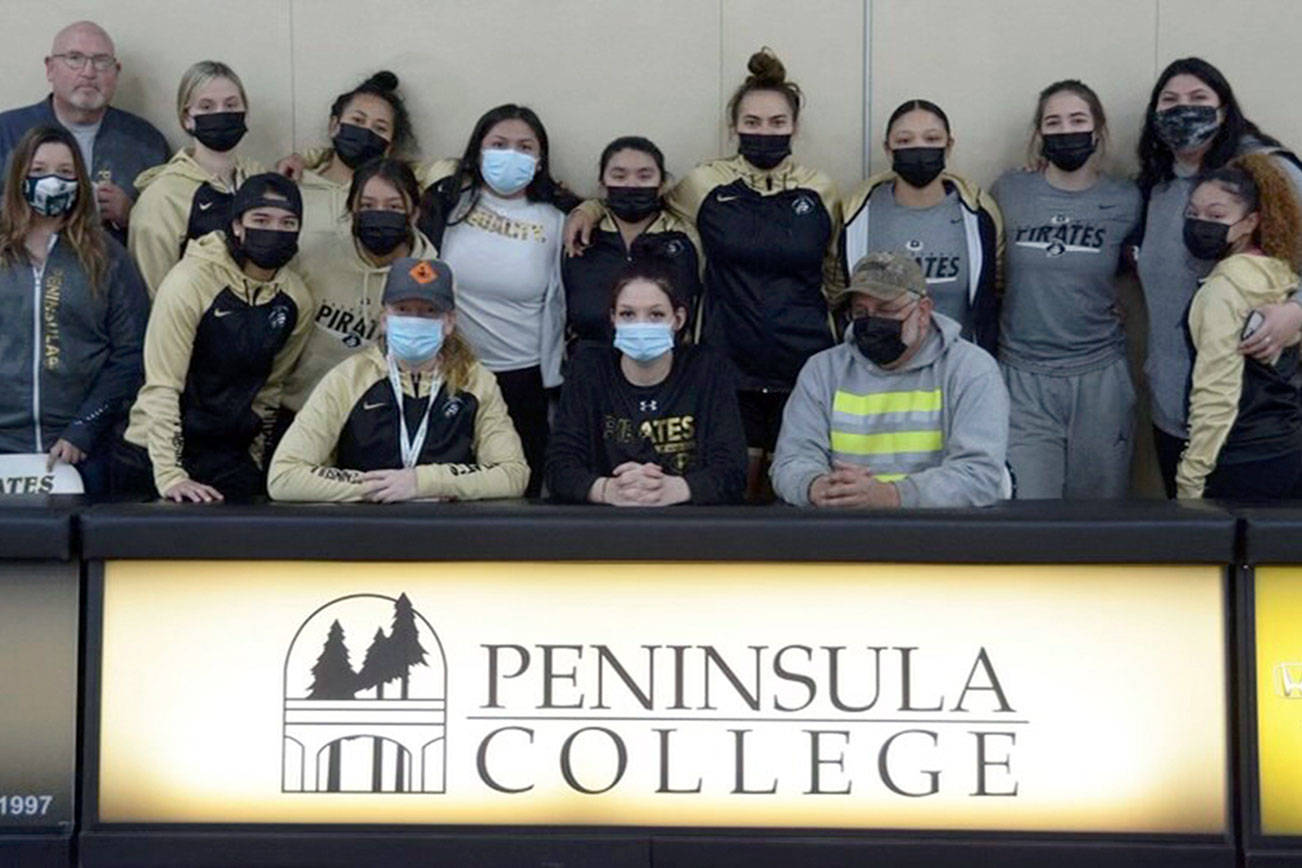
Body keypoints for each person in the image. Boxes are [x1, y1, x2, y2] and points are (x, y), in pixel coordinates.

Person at [567, 49, 841, 501]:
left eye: (777, 122)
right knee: (738, 489)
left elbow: (834, 274)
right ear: (733, 127)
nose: (764, 131)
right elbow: (644, 198)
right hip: (728, 360)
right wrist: (590, 207)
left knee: (793, 488)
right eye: (752, 122)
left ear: (795, 127)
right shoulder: (704, 184)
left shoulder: (822, 189)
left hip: (805, 360)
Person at [1135, 57, 1302, 496]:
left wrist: (1296, 312)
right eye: (1170, 100)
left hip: (1253, 424)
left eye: (1198, 98)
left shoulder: (1265, 172)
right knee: (1191, 533)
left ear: (1224, 110)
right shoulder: (1159, 186)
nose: (1183, 109)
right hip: (1174, 410)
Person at [115, 173, 312, 502]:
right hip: (155, 454)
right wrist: (170, 476)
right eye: (261, 220)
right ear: (237, 225)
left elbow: (269, 389)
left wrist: (255, 456)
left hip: (228, 456)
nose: (274, 230)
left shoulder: (296, 298)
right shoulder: (189, 282)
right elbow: (163, 385)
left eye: (287, 223)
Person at [269, 257, 528, 502]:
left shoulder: (476, 381)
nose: (414, 320)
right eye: (403, 310)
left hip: (448, 528)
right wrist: (379, 487)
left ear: (449, 322)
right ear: (384, 319)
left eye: (429, 312)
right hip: (361, 527)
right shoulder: (348, 378)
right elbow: (284, 476)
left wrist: (423, 482)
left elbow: (512, 475)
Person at [993, 81, 1142, 499]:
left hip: (1098, 374)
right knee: (1029, 511)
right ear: (1039, 133)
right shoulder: (1010, 191)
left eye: (1078, 120)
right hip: (1023, 375)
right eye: (1053, 122)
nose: (1066, 131)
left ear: (1098, 129)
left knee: (1098, 513)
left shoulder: (1126, 199)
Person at [418, 104, 574, 497]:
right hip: (451, 370)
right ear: (478, 151)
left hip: (524, 379)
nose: (511, 155)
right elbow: (388, 175)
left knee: (518, 490)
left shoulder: (559, 218)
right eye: (499, 144)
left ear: (540, 160)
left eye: (525, 147)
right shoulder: (447, 201)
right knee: (444, 486)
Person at [770, 251, 1008, 508]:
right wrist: (817, 487)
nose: (873, 322)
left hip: (939, 529)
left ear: (923, 312)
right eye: (861, 312)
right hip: (841, 524)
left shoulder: (971, 369)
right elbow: (790, 461)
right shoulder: (822, 370)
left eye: (886, 310)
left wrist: (891, 495)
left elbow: (980, 476)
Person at [0, 126, 148, 495]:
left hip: (82, 451)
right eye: (38, 170)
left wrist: (84, 428)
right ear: (18, 175)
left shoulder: (107, 256)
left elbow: (130, 352)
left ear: (80, 181)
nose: (52, 181)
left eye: (65, 172)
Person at [546, 260, 747, 505]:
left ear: (678, 319)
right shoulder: (588, 369)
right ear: (613, 318)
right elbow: (559, 467)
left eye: (656, 315)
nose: (641, 325)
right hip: (607, 521)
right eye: (628, 314)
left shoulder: (708, 370)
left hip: (685, 521)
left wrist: (675, 489)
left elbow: (732, 470)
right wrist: (608, 490)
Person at [1176, 155, 1302, 499]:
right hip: (1288, 446)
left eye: (1216, 216)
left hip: (1240, 456)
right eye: (1193, 213)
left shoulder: (1222, 291)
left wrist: (1191, 479)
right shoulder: (1283, 276)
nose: (1200, 224)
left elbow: (1217, 394)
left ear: (1250, 222)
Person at [840, 99, 1002, 354]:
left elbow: (996, 288)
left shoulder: (978, 215)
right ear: (888, 149)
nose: (919, 148)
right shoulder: (856, 214)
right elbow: (838, 290)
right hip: (878, 366)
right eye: (904, 140)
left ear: (949, 146)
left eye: (932, 139)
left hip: (957, 365)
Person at [282, 158, 438, 415]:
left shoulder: (431, 279)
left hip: (375, 420)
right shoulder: (314, 257)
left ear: (414, 213)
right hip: (300, 408)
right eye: (367, 205)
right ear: (351, 209)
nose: (380, 214)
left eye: (394, 206)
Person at [0, 21, 168, 245]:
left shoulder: (146, 142)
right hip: (19, 262)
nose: (88, 72)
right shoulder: (7, 133)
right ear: (50, 68)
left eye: (101, 61)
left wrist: (132, 215)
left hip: (113, 264)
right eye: (74, 58)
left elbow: (169, 230)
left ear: (116, 72)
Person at [128, 60, 262, 296]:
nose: (221, 113)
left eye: (231, 105)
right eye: (207, 106)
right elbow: (153, 290)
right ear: (186, 118)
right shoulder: (163, 196)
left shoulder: (259, 180)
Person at [560, 136, 701, 353]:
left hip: (669, 366)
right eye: (619, 176)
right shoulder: (579, 235)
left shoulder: (685, 236)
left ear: (661, 184)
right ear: (602, 185)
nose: (631, 184)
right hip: (588, 364)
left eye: (645, 176)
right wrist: (588, 209)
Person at [292, 71, 415, 261]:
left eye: (380, 128)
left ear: (390, 146)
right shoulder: (294, 184)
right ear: (334, 125)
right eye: (357, 120)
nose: (366, 132)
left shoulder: (398, 195)